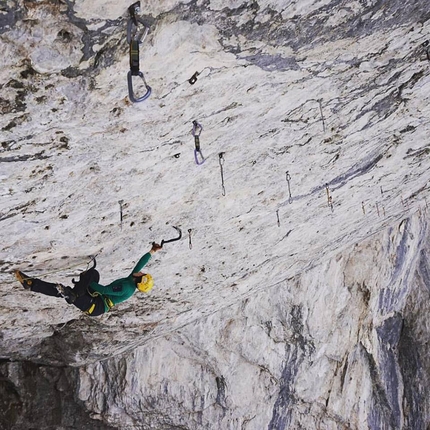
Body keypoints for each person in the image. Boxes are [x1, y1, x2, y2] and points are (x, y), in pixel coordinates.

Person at [14, 243, 162, 316]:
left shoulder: (127, 288)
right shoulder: (132, 280)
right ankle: (69, 293)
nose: (141, 272)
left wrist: (88, 285)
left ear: (139, 279)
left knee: (69, 292)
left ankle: (33, 284)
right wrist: (152, 251)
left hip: (95, 306)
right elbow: (140, 263)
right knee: (93, 275)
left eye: (142, 274)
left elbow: (104, 290)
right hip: (96, 299)